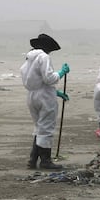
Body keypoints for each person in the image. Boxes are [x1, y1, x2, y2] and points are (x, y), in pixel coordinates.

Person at [20, 33, 70, 170]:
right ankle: (45, 161)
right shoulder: (44, 57)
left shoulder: (28, 59)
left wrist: (56, 92)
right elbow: (49, 78)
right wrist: (62, 72)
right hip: (45, 96)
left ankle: (32, 160)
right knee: (46, 127)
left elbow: (33, 80)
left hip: (31, 95)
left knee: (38, 127)